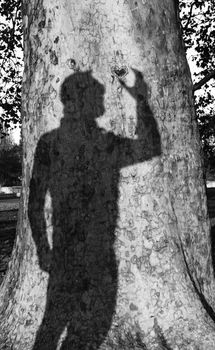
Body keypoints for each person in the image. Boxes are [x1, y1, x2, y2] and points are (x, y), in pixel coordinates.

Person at [29, 69, 161, 349]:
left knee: (69, 330)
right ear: (80, 99)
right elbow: (35, 202)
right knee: (62, 329)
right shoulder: (87, 144)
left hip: (85, 254)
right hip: (82, 255)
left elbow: (35, 203)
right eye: (98, 95)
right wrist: (140, 99)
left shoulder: (61, 143)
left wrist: (43, 249)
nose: (103, 100)